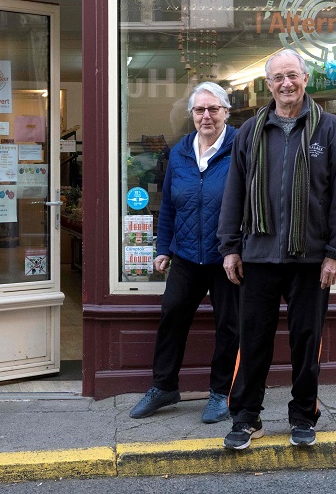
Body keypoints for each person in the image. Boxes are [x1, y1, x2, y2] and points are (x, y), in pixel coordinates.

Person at [218, 49, 336, 450]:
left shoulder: (330, 130)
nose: (286, 83)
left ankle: (302, 415)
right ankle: (246, 418)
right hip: (258, 256)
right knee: (253, 341)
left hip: (311, 259)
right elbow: (234, 193)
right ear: (269, 84)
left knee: (306, 341)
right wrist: (230, 247)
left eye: (292, 75)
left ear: (305, 78)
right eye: (278, 77)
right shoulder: (250, 131)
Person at [129, 82, 240, 423]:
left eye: (213, 109)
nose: (206, 116)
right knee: (172, 315)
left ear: (226, 111)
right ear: (191, 114)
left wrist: (237, 248)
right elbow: (169, 207)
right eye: (199, 110)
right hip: (188, 254)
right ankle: (164, 387)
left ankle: (221, 393)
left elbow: (252, 203)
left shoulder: (242, 146)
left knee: (229, 326)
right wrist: (163, 248)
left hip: (227, 257)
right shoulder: (179, 152)